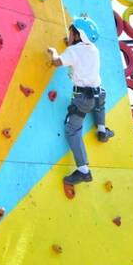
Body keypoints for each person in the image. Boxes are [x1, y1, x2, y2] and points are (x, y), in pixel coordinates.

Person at [47, 16, 114, 186]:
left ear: (77, 36)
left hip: (82, 99)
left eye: (70, 34)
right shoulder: (93, 49)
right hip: (99, 93)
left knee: (72, 130)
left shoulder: (73, 52)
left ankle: (83, 170)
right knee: (100, 105)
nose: (68, 36)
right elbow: (79, 53)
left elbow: (56, 62)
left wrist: (54, 52)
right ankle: (102, 130)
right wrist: (70, 44)